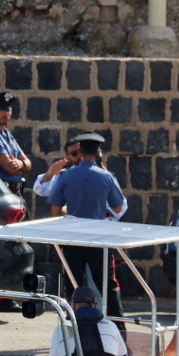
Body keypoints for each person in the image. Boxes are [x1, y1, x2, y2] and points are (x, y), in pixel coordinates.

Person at [49, 131, 128, 318]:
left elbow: (55, 210)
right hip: (98, 237)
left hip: (72, 236)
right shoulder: (106, 177)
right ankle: (118, 327)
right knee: (107, 286)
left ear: (81, 151)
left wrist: (71, 212)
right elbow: (118, 207)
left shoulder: (66, 176)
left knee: (73, 284)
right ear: (99, 151)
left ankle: (73, 327)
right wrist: (101, 210)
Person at [0, 91, 33, 194]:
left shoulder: (7, 135)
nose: (5, 113)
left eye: (8, 110)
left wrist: (21, 163)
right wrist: (22, 166)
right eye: (1, 109)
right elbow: (10, 168)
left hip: (14, 190)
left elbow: (29, 164)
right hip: (0, 191)